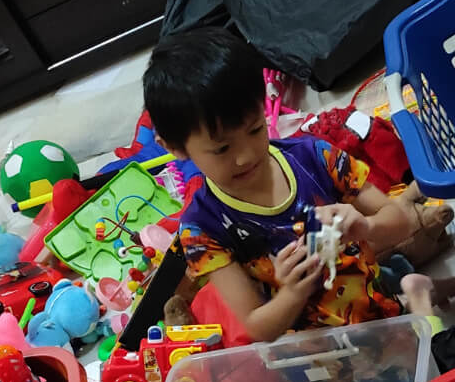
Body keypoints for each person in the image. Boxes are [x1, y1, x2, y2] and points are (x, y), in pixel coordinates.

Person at [143, 27, 455, 342]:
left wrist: (365, 227)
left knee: (433, 355)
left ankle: (413, 293)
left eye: (255, 129)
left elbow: (400, 222)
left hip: (376, 304)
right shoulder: (201, 229)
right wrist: (292, 292)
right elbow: (256, 327)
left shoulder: (315, 155)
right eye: (222, 149)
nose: (246, 156)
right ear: (174, 147)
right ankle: (416, 294)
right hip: (316, 350)